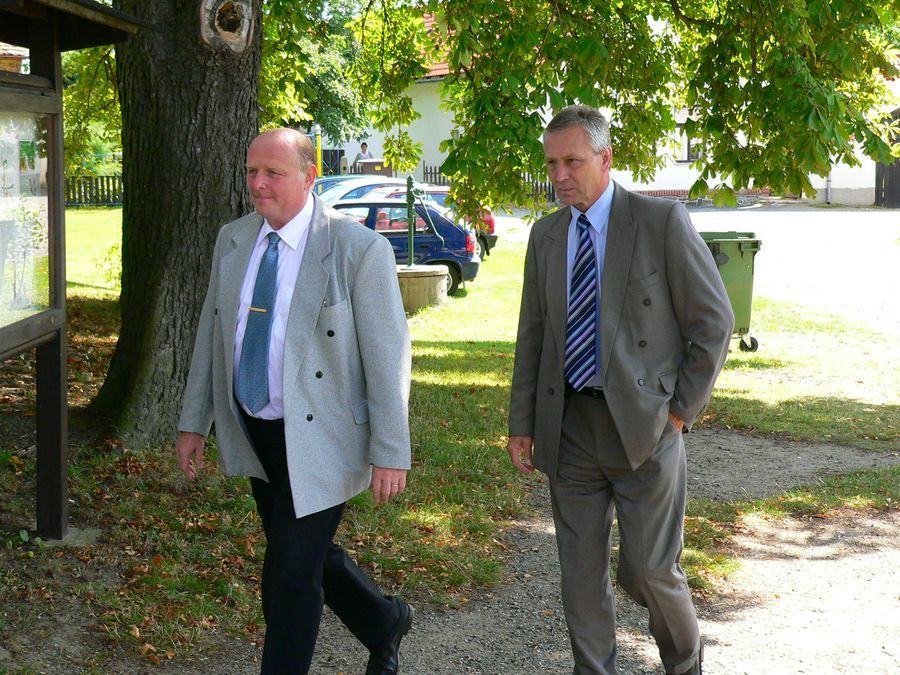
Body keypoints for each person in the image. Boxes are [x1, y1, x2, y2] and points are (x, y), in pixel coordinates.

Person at [176, 127, 414, 675]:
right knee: (301, 550)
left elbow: (388, 357)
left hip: (325, 436)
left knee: (288, 572)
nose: (258, 184)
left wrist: (391, 450)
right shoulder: (233, 239)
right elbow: (213, 333)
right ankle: (383, 621)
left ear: (309, 177)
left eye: (273, 173)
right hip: (257, 432)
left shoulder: (358, 249)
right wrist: (195, 421)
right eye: (251, 172)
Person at [507, 105, 734, 675]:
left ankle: (684, 664)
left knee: (651, 571)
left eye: (572, 162)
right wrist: (522, 422)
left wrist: (678, 413)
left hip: (645, 428)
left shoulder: (660, 222)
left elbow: (713, 322)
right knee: (580, 576)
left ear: (605, 159)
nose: (559, 175)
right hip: (569, 429)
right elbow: (533, 335)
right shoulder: (546, 235)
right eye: (551, 163)